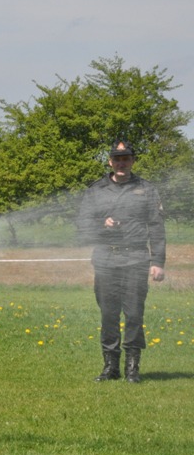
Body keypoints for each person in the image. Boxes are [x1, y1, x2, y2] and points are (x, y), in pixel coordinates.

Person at [77, 139, 165, 384]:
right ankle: (110, 368)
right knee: (108, 314)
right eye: (117, 159)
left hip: (136, 258)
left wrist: (158, 261)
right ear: (110, 161)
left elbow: (157, 228)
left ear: (133, 161)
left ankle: (133, 370)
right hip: (105, 259)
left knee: (134, 314)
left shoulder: (147, 189)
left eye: (126, 158)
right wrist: (100, 225)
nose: (121, 163)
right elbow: (82, 226)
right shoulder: (96, 190)